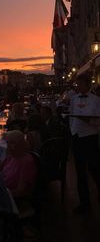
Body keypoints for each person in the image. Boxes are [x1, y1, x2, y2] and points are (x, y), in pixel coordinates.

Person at [70, 74, 100, 214]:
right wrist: (72, 130)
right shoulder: (73, 99)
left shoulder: (96, 100)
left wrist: (90, 121)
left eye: (80, 84)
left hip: (90, 137)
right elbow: (72, 116)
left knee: (94, 169)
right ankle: (85, 203)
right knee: (80, 172)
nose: (78, 86)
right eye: (77, 84)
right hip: (77, 137)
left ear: (88, 85)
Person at [0, 130, 37, 211]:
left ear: (21, 144)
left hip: (14, 201)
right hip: (4, 191)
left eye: (12, 143)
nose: (8, 146)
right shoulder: (12, 156)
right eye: (7, 143)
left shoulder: (26, 162)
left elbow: (21, 191)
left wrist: (0, 194)